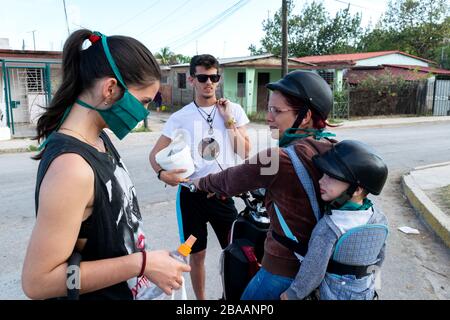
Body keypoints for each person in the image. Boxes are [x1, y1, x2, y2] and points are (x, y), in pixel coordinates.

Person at [21, 29, 190, 300]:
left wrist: (150, 263)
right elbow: (37, 282)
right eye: (143, 101)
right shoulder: (72, 169)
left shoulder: (98, 139)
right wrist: (142, 264)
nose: (143, 112)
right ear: (110, 89)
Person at [193, 70, 337, 300]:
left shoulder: (279, 158)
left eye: (277, 111)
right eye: (269, 108)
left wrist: (199, 182)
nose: (269, 117)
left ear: (305, 115)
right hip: (321, 263)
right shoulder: (330, 145)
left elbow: (229, 179)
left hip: (284, 267)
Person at [149, 54, 250, 300]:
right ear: (192, 79)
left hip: (223, 196)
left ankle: (232, 298)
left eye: (214, 77)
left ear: (218, 79)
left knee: (234, 252)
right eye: (203, 77)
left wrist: (228, 121)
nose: (209, 83)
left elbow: (245, 151)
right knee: (195, 253)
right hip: (192, 198)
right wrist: (163, 174)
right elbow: (155, 155)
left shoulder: (232, 110)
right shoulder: (180, 117)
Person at [280, 140, 389, 300]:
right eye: (323, 174)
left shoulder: (330, 226)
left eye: (331, 176)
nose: (321, 180)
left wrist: (293, 294)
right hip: (365, 292)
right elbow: (379, 258)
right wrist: (371, 286)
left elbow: (313, 270)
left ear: (357, 189)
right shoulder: (379, 219)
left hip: (333, 294)